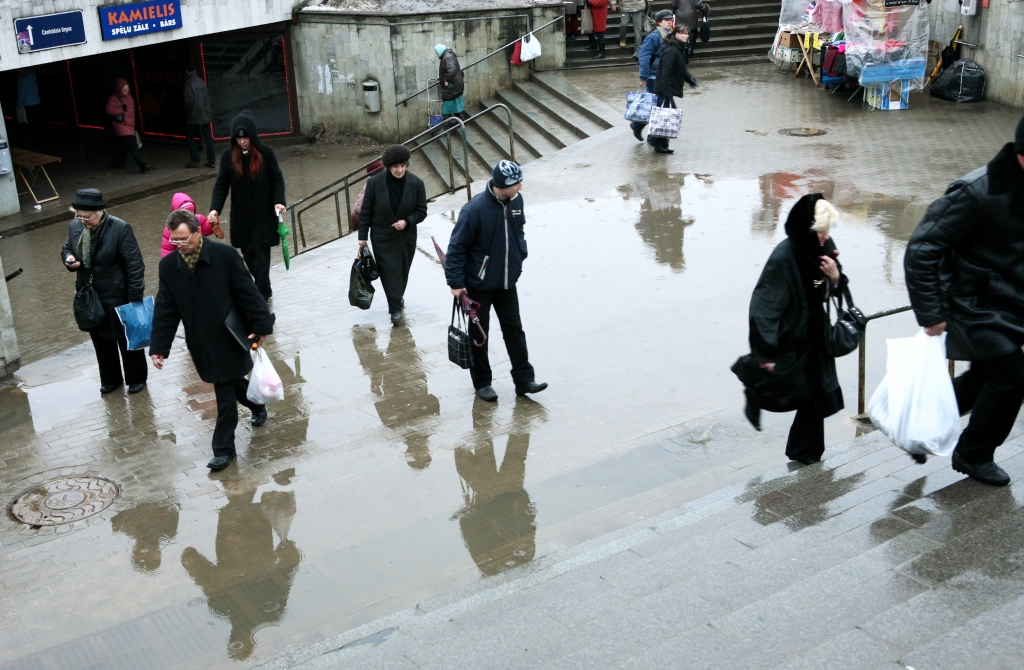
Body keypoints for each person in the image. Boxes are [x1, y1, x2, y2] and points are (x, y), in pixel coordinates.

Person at [903, 120, 1024, 487]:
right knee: (1012, 378)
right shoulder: (975, 192)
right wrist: (931, 313)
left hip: (1009, 302)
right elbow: (922, 250)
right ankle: (973, 454)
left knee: (985, 376)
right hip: (972, 305)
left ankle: (920, 427)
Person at [149, 209, 276, 471]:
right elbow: (165, 309)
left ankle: (223, 449)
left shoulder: (225, 255)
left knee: (224, 393)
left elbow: (248, 293)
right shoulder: (168, 267)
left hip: (229, 336)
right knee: (228, 381)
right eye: (175, 240)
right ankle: (257, 405)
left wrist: (261, 325)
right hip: (200, 341)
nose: (180, 245)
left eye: (184, 239)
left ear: (198, 232)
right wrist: (159, 347)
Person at [734, 194, 845, 465]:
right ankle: (755, 393)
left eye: (827, 230)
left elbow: (831, 285)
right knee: (789, 387)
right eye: (820, 230)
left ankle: (805, 453)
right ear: (807, 227)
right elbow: (764, 307)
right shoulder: (784, 256)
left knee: (818, 391)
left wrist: (835, 277)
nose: (825, 236)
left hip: (815, 334)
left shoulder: (824, 246)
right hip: (791, 336)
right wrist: (766, 350)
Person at [444, 160, 547, 402]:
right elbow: (457, 248)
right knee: (480, 335)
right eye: (516, 183)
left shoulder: (516, 201)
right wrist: (456, 284)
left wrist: (521, 255)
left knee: (514, 330)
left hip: (507, 281)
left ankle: (524, 381)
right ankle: (482, 383)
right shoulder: (474, 210)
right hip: (478, 285)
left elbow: (519, 231)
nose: (521, 186)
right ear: (503, 185)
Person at [61, 188, 148, 395]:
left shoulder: (120, 228)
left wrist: (134, 299)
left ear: (100, 212)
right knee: (100, 339)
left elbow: (135, 266)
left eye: (87, 217)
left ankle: (136, 378)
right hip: (90, 295)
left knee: (126, 338)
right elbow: (67, 248)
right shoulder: (75, 226)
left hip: (117, 295)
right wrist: (69, 259)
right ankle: (110, 379)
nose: (82, 220)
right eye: (78, 215)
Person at [209, 110, 286, 301]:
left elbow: (277, 179)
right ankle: (264, 288)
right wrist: (215, 209)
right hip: (242, 219)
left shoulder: (266, 154)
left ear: (252, 136)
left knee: (262, 257)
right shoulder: (228, 157)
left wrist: (279, 201)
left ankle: (260, 297)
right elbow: (221, 185)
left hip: (263, 218)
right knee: (249, 256)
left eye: (245, 138)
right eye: (238, 138)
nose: (242, 141)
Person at [358, 144, 428, 325]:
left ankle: (397, 297)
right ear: (388, 166)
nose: (400, 170)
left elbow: (422, 211)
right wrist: (362, 236)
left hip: (406, 237)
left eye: (403, 165)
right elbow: (365, 211)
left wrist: (407, 221)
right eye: (396, 166)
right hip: (382, 236)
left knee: (403, 270)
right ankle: (394, 308)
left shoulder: (416, 184)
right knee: (389, 272)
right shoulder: (375, 183)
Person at [652, 24, 698, 155]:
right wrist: (667, 95)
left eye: (687, 33)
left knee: (666, 116)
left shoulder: (679, 49)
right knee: (666, 116)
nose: (687, 36)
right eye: (683, 33)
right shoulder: (672, 50)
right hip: (663, 90)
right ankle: (659, 144)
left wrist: (690, 79)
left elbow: (681, 68)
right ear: (676, 34)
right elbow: (665, 74)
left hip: (666, 90)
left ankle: (659, 142)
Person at [633, 10, 675, 142]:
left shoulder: (670, 36)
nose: (670, 22)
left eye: (670, 19)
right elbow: (644, 57)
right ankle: (655, 138)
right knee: (665, 109)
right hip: (653, 78)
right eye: (666, 20)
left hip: (664, 78)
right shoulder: (654, 37)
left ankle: (640, 127)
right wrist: (643, 77)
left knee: (658, 108)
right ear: (659, 22)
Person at [106, 78, 148, 173]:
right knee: (132, 144)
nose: (126, 92)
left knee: (121, 144)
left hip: (129, 123)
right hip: (121, 124)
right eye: (124, 90)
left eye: (127, 90)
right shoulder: (114, 98)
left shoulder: (129, 96)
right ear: (119, 89)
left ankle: (117, 161)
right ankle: (142, 164)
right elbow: (109, 110)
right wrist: (121, 109)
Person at [162, 192, 222, 257]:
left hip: (200, 252)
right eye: (185, 213)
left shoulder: (198, 219)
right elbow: (167, 249)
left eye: (191, 212)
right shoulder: (170, 229)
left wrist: (212, 223)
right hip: (182, 256)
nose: (190, 215)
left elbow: (206, 229)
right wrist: (169, 262)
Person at [183, 63, 216, 169]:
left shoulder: (188, 83)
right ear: (196, 69)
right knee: (208, 138)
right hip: (205, 113)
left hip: (194, 114)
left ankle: (195, 159)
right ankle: (211, 161)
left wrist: (187, 113)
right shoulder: (202, 81)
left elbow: (188, 102)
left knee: (189, 136)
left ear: (186, 71)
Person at [435, 44, 469, 122]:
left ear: (440, 50)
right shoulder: (448, 56)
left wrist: (444, 80)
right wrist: (441, 78)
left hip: (452, 86)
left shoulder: (447, 57)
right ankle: (461, 120)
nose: (437, 54)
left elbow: (452, 70)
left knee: (447, 106)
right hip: (455, 85)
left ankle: (446, 126)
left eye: (437, 52)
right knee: (455, 104)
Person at [350, 160, 385, 233]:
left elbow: (360, 207)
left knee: (354, 217)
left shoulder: (371, 184)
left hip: (376, 215)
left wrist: (357, 212)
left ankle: (359, 236)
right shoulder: (381, 180)